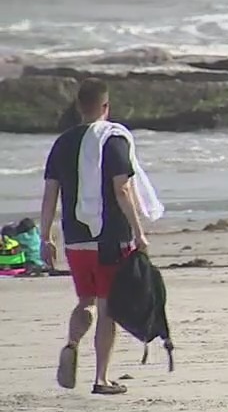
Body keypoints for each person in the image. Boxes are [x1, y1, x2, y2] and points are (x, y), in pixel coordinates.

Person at [40, 78, 154, 395]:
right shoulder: (114, 140)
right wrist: (139, 232)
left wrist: (45, 235)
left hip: (76, 238)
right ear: (106, 107)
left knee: (85, 302)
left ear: (78, 106)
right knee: (108, 308)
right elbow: (122, 188)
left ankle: (72, 343)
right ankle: (102, 378)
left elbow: (50, 193)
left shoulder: (62, 143)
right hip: (110, 238)